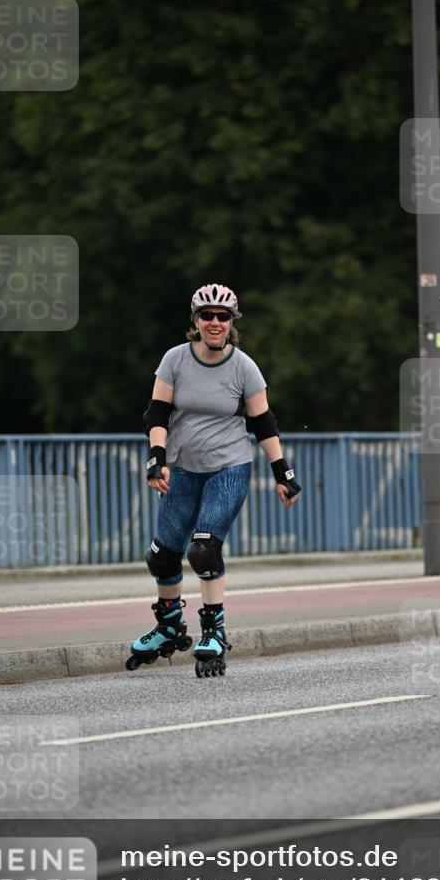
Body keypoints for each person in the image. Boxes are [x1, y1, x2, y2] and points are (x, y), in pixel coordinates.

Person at [129, 283, 301, 678]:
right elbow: (156, 414)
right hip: (184, 467)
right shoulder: (175, 360)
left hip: (230, 466)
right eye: (207, 315)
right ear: (195, 320)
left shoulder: (244, 367)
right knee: (162, 555)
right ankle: (169, 625)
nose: (215, 322)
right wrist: (157, 460)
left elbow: (263, 423)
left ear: (232, 322)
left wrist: (283, 473)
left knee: (203, 550)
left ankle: (214, 632)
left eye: (223, 316)